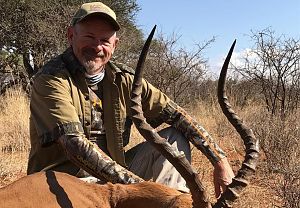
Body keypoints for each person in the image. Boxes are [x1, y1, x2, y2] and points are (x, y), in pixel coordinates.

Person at [27, 1, 234, 197]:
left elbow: (176, 114)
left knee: (174, 137)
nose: (97, 47)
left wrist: (219, 160)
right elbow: (74, 145)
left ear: (115, 44)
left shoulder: (124, 79)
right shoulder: (51, 79)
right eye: (89, 37)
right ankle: (154, 206)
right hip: (64, 183)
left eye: (105, 40)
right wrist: (140, 190)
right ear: (71, 35)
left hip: (115, 181)